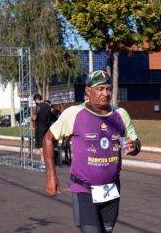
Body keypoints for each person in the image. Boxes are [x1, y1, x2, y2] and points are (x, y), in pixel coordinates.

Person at [43, 70, 141, 233]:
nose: (106, 93)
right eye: (100, 89)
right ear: (88, 91)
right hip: (84, 190)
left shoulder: (120, 114)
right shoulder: (74, 114)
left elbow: (135, 142)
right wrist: (51, 176)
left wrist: (135, 147)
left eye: (108, 88)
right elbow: (48, 138)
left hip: (111, 190)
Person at [32, 94, 52, 167]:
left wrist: (32, 117)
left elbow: (34, 118)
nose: (35, 102)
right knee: (47, 144)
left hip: (40, 128)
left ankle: (43, 162)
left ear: (36, 99)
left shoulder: (37, 107)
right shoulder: (48, 106)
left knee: (41, 146)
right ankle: (49, 162)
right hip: (48, 128)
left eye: (34, 100)